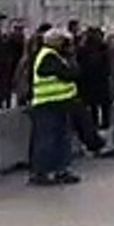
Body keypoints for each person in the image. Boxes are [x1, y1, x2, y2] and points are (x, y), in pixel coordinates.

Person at [28, 29, 81, 186]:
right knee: (47, 139)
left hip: (59, 103)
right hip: (47, 104)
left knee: (61, 138)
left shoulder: (55, 56)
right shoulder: (48, 56)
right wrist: (71, 60)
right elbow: (70, 74)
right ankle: (41, 171)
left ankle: (60, 170)